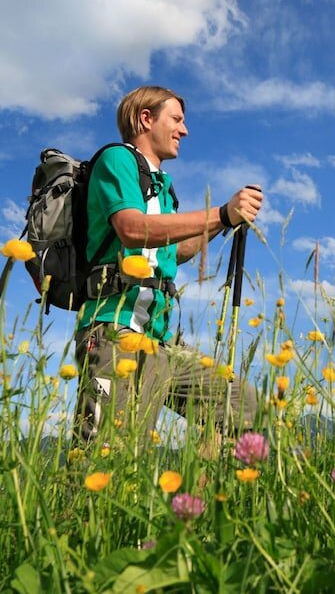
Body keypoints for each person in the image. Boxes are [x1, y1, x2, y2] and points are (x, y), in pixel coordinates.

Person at [74, 85, 263, 443]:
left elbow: (175, 252)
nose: (184, 130)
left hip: (159, 338)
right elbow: (131, 229)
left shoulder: (162, 186)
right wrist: (220, 212)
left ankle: (217, 492)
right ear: (146, 119)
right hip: (116, 331)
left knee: (245, 406)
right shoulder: (117, 160)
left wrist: (225, 221)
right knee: (106, 457)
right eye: (176, 119)